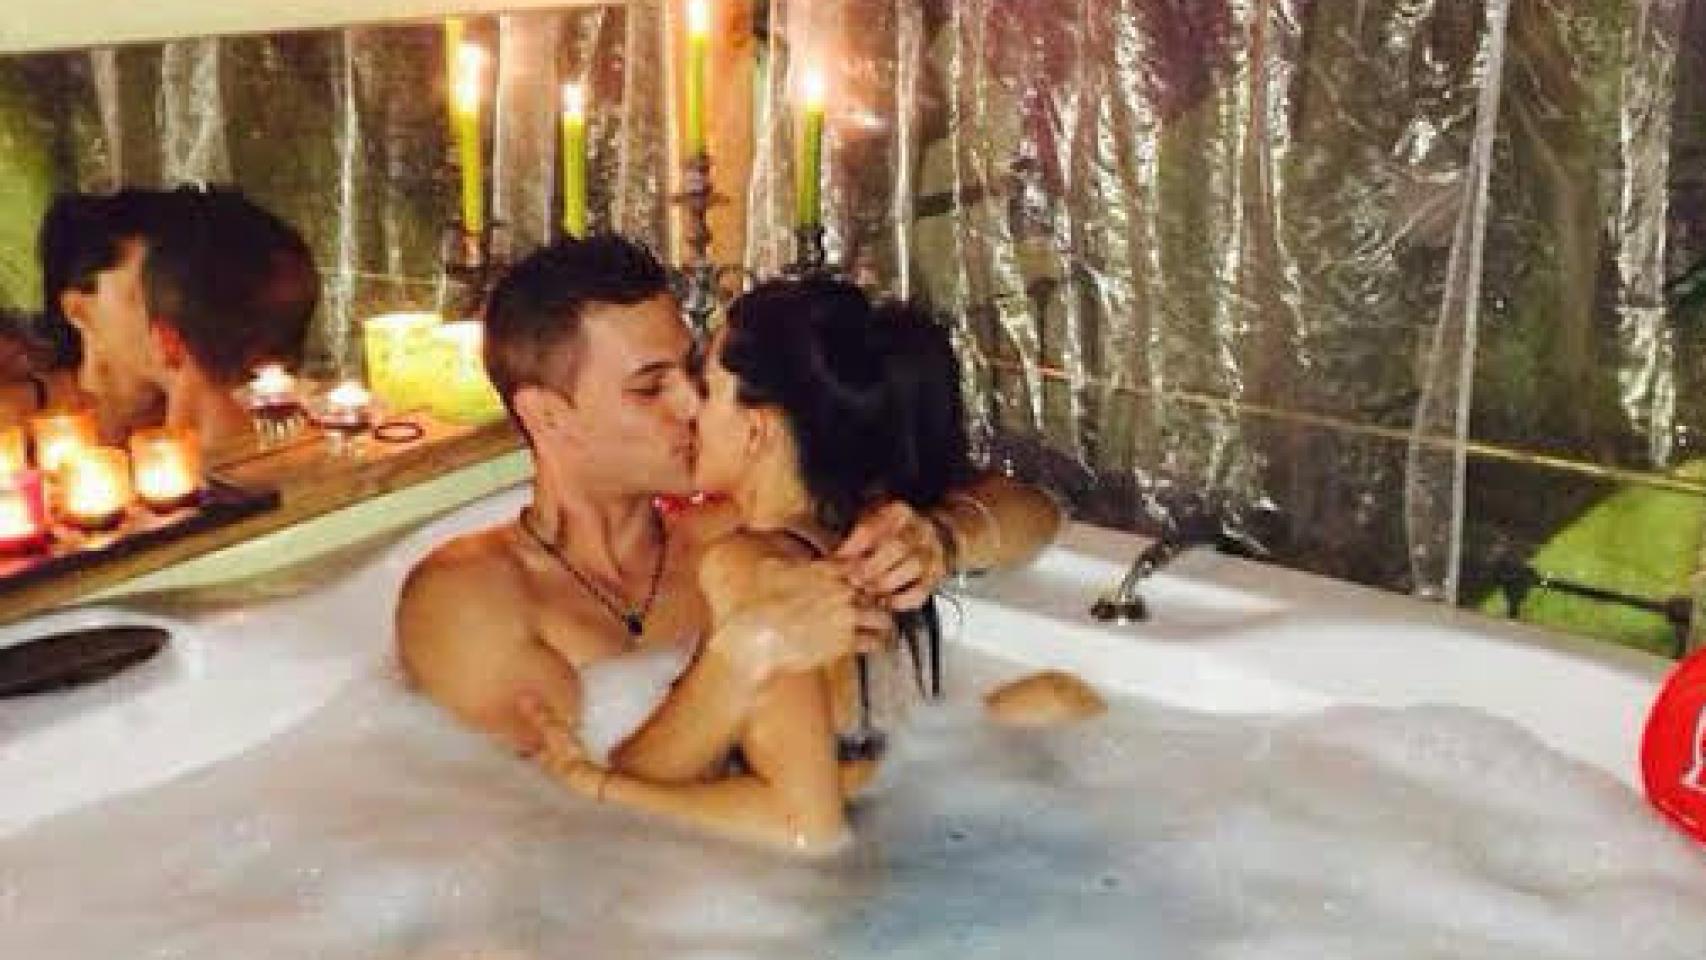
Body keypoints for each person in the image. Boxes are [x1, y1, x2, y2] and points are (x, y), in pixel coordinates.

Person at [395, 236, 1066, 851]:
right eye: (650, 387)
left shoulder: (743, 530)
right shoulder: (472, 598)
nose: (691, 404)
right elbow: (550, 841)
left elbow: (1033, 511)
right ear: (549, 415)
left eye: (693, 372)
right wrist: (741, 656)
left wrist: (942, 537)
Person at [32, 187, 318, 448]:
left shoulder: (241, 403)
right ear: (80, 312)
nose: (174, 306)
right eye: (147, 289)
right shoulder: (27, 428)